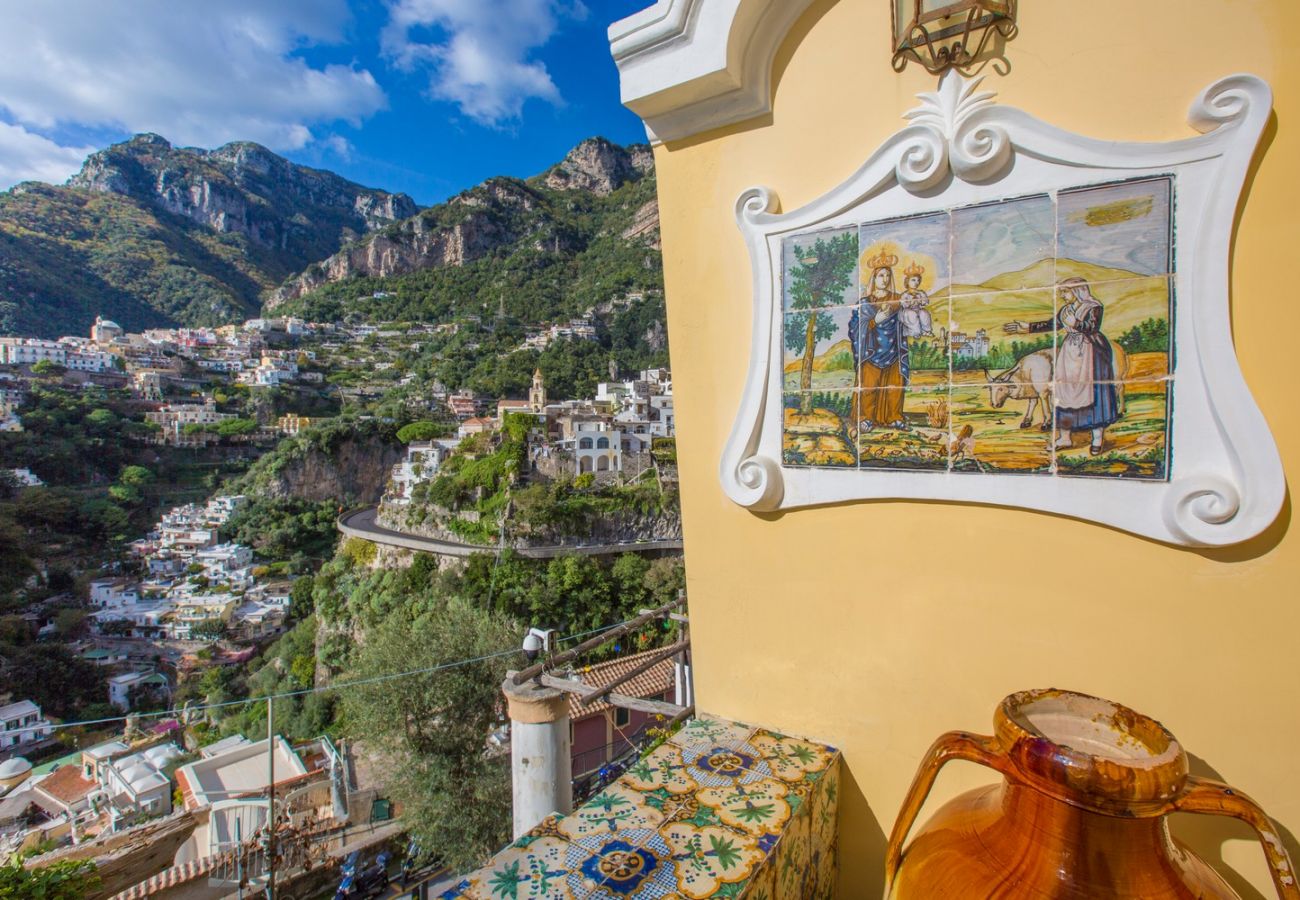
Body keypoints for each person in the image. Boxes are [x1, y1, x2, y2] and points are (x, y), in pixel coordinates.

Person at [1003, 276, 1119, 454]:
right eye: (1061, 292)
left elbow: (1092, 327)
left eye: (1065, 292)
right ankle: (1065, 438)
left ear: (1077, 290)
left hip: (1092, 355)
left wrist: (1076, 323)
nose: (1063, 296)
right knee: (1064, 392)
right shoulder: (1066, 310)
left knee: (1094, 392)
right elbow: (1053, 324)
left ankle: (1097, 438)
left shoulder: (1094, 306)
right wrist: (1028, 327)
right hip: (1070, 354)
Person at [849, 252, 909, 434]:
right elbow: (855, 327)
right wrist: (875, 320)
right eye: (881, 275)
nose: (885, 279)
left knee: (895, 386)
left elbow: (909, 316)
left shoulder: (898, 300)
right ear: (874, 278)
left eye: (888, 275)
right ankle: (865, 418)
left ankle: (894, 417)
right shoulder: (865, 302)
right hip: (871, 351)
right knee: (868, 386)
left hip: (894, 350)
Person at [898, 261, 935, 338]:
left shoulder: (921, 293)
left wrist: (921, 301)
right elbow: (903, 304)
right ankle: (915, 332)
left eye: (918, 280)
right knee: (911, 314)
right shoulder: (905, 294)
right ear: (907, 281)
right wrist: (910, 303)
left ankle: (926, 331)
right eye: (913, 280)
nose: (916, 282)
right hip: (907, 312)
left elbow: (925, 302)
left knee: (924, 313)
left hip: (918, 309)